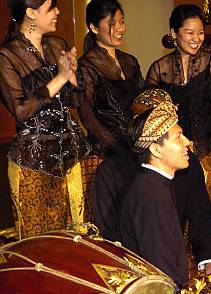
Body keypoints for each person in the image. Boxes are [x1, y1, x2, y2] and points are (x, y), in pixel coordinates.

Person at [94, 88, 211, 280]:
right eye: (177, 136)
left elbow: (200, 215)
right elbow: (160, 270)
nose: (187, 143)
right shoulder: (146, 191)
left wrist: (210, 259)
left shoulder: (171, 172)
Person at [0, 0, 90, 239]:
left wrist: (72, 77)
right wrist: (60, 78)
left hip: (68, 157)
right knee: (40, 244)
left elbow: (76, 100)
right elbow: (21, 110)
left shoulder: (56, 45)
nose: (58, 12)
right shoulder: (7, 55)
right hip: (32, 164)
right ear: (31, 13)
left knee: (75, 239)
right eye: (51, 7)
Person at [146, 4, 211, 238]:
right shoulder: (158, 69)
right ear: (174, 33)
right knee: (179, 211)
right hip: (175, 154)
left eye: (201, 32)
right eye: (190, 32)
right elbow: (151, 118)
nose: (196, 38)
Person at [78, 0, 144, 221]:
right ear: (94, 28)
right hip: (105, 154)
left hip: (136, 150)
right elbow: (87, 116)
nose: (120, 29)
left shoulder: (130, 62)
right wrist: (118, 146)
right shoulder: (86, 66)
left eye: (122, 22)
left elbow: (143, 102)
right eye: (112, 23)